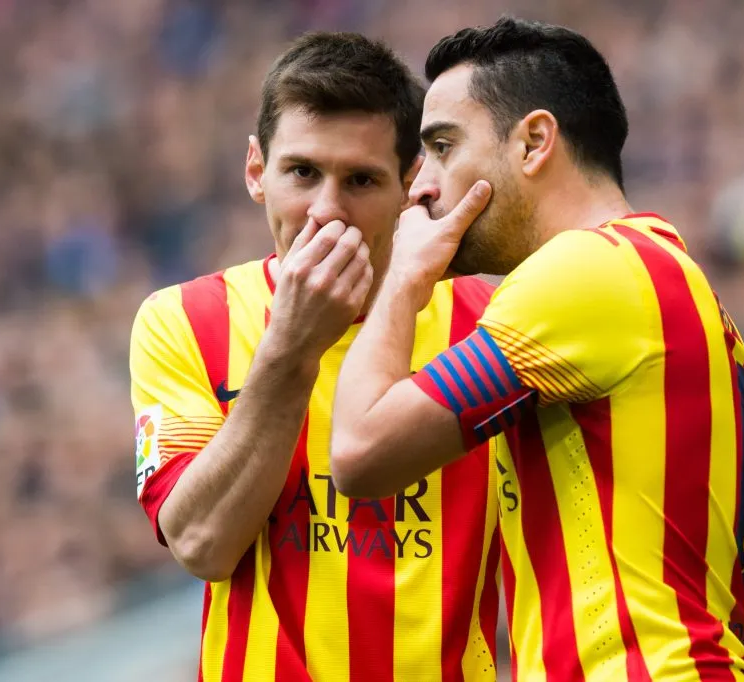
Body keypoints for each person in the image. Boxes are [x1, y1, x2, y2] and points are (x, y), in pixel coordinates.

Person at [330, 16, 744, 681]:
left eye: (444, 146)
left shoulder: (583, 276)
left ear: (534, 141)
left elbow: (360, 455)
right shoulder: (661, 277)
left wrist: (403, 281)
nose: (420, 188)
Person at [130, 32, 502, 682]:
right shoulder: (186, 321)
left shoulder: (491, 322)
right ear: (256, 171)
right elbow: (202, 544)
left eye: (360, 179)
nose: (326, 210)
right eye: (302, 172)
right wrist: (291, 349)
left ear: (410, 183)